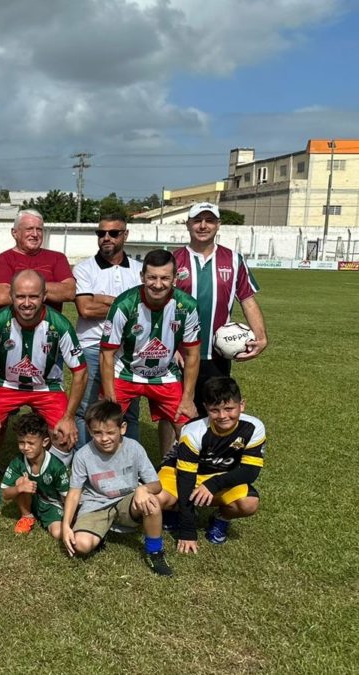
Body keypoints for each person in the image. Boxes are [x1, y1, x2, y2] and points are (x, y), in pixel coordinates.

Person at [0, 270, 87, 516]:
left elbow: (80, 372)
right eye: (20, 296)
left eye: (33, 296)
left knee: (64, 435)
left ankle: (47, 486)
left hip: (47, 386)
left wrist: (69, 416)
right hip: (5, 383)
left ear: (44, 295)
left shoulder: (58, 324)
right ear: (11, 296)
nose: (26, 303)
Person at [100, 249, 200, 457]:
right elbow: (107, 354)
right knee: (106, 425)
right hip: (125, 372)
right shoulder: (124, 304)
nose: (157, 284)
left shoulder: (187, 306)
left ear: (174, 278)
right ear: (142, 276)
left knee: (189, 427)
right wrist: (109, 397)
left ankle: (187, 478)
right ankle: (104, 477)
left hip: (164, 374)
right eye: (152, 277)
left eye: (165, 278)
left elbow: (192, 355)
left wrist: (188, 398)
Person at [173, 202, 268, 416]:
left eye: (209, 221)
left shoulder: (234, 260)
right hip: (180, 352)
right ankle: (173, 452)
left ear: (218, 225)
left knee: (217, 410)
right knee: (175, 413)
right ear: (188, 225)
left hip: (218, 353)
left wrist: (261, 338)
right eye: (197, 220)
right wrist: (169, 348)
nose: (203, 226)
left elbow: (247, 300)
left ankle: (212, 450)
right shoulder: (173, 260)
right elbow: (159, 307)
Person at [61, 400, 173, 577]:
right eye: (97, 433)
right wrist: (66, 525)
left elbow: (156, 485)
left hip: (126, 502)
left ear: (123, 428)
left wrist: (142, 489)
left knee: (152, 502)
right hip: (95, 504)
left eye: (110, 432)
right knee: (80, 546)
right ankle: (100, 533)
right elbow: (74, 492)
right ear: (89, 431)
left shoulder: (134, 448)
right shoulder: (83, 455)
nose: (104, 438)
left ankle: (155, 552)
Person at [159, 376, 264, 552]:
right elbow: (185, 481)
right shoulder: (193, 432)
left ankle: (220, 519)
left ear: (242, 405)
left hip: (218, 476)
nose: (223, 416)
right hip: (180, 472)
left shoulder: (254, 427)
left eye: (229, 409)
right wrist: (188, 531)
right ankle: (174, 511)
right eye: (215, 410)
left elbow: (250, 471)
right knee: (156, 499)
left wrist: (213, 484)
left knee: (249, 503)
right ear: (206, 408)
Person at [73, 213, 143, 446]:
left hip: (129, 350)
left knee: (128, 413)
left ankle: (128, 465)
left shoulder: (139, 270)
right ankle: (84, 465)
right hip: (91, 346)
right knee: (87, 410)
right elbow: (85, 309)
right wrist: (125, 304)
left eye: (113, 233)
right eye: (101, 233)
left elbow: (144, 309)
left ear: (125, 235)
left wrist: (102, 299)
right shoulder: (84, 269)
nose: (106, 238)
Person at [0, 209, 75, 314]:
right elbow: (1, 296)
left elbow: (69, 292)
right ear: (15, 233)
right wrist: (49, 289)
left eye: (39, 229)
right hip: (11, 328)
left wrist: (20, 289)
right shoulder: (1, 261)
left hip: (49, 327)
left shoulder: (57, 258)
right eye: (29, 229)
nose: (35, 234)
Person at [0, 412, 68, 537]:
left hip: (52, 505)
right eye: (21, 442)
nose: (25, 447)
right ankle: (27, 516)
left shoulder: (57, 467)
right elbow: (4, 493)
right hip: (33, 500)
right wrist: (19, 488)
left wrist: (70, 520)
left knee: (57, 533)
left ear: (45, 442)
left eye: (30, 443)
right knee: (20, 481)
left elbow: (67, 498)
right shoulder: (18, 462)